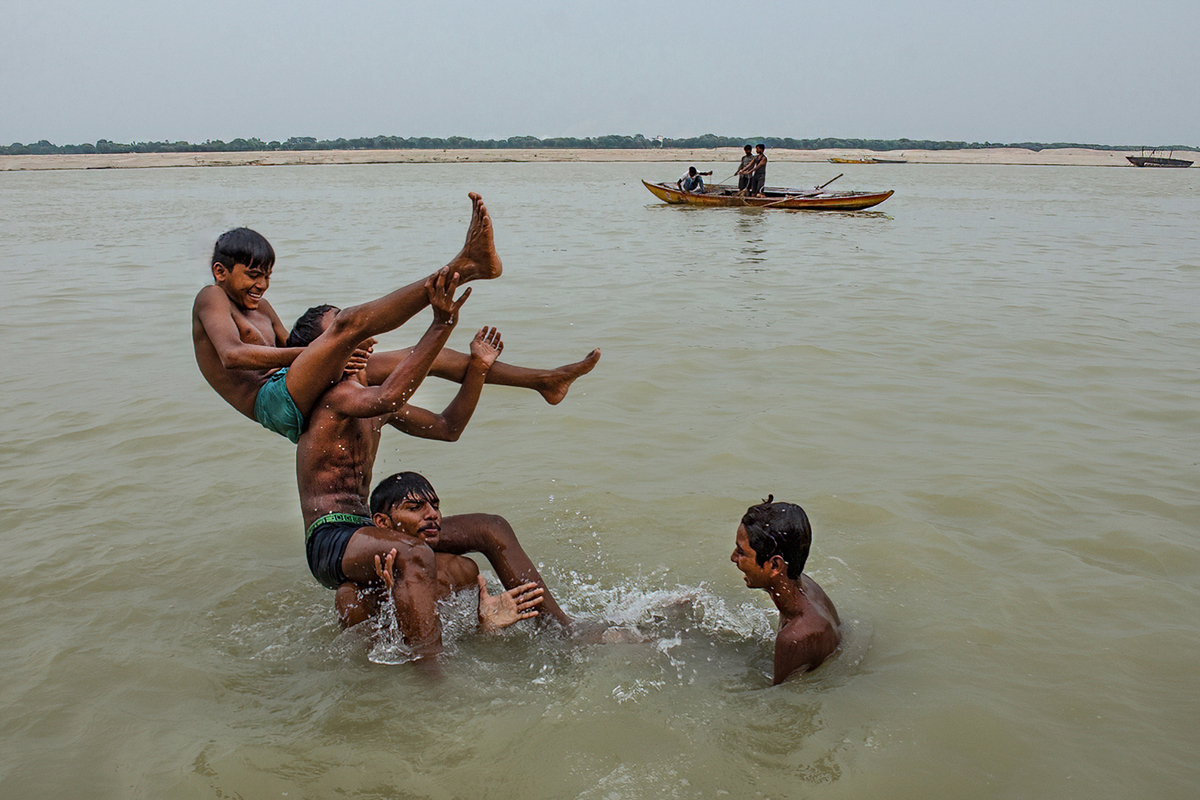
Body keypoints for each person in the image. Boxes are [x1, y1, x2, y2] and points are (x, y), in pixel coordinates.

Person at [289, 293, 571, 651]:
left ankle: (561, 630)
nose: (357, 335)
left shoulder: (371, 399)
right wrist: (440, 324)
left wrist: (479, 370)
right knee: (414, 554)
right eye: (342, 331)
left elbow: (447, 426)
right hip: (330, 538)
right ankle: (432, 674)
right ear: (319, 355)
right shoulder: (334, 398)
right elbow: (391, 395)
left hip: (367, 529)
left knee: (490, 528)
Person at [192, 192, 503, 444]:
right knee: (349, 325)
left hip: (293, 384)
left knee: (420, 357)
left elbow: (291, 347)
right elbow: (232, 355)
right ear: (220, 272)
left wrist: (336, 356)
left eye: (267, 276)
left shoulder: (262, 306)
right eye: (252, 275)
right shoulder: (212, 296)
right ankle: (463, 268)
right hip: (273, 402)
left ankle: (544, 381)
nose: (261, 285)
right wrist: (333, 350)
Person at [730, 495, 841, 684]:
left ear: (774, 566)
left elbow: (778, 699)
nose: (733, 558)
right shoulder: (801, 584)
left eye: (741, 552)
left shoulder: (793, 638)